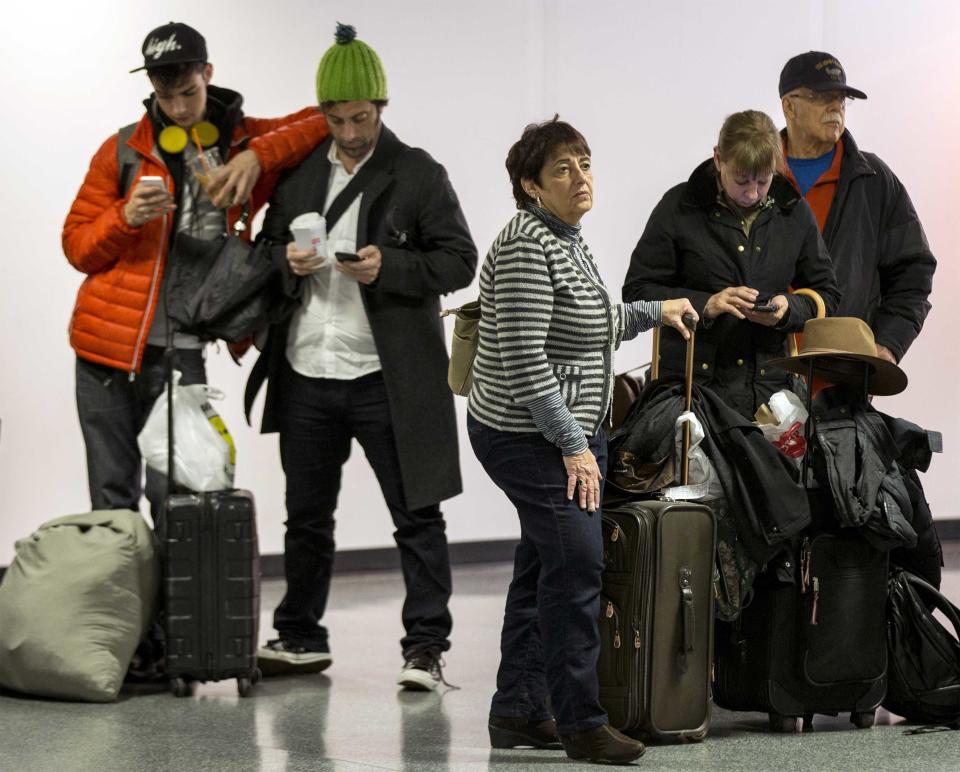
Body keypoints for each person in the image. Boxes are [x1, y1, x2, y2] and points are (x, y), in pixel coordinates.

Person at [245, 24, 477, 690]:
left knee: (417, 513)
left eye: (361, 117)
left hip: (388, 376)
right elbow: (263, 252)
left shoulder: (418, 173)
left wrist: (391, 266)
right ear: (321, 114)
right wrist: (284, 261)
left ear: (382, 106)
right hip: (307, 370)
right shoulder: (297, 177)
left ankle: (425, 649)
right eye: (337, 118)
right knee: (307, 517)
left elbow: (460, 260)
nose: (349, 132)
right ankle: (298, 636)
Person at [467, 116, 696, 764]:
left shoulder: (566, 239)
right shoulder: (523, 247)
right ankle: (580, 721)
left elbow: (596, 322)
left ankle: (516, 710)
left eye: (585, 163)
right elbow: (523, 362)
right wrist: (572, 444)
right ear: (530, 185)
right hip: (524, 433)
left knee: (546, 561)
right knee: (576, 563)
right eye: (562, 169)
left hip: (565, 431)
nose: (581, 178)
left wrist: (661, 309)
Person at [63, 21, 328, 519]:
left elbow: (320, 119)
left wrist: (255, 156)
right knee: (110, 497)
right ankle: (127, 598)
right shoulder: (122, 150)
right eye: (167, 96)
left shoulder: (245, 139)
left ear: (208, 73)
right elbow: (78, 249)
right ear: (152, 90)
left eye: (190, 92)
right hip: (105, 352)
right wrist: (125, 218)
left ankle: (180, 600)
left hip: (183, 351)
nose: (181, 108)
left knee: (181, 496)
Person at [623, 109, 840, 420]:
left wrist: (788, 309)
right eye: (741, 180)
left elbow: (828, 295)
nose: (751, 193)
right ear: (718, 160)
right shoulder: (678, 207)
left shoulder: (795, 213)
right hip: (691, 391)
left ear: (776, 169)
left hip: (771, 393)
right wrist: (706, 305)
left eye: (763, 181)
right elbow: (637, 293)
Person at [778, 51, 936, 365]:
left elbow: (913, 275)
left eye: (841, 98)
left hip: (841, 383)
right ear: (788, 106)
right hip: (754, 384)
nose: (835, 106)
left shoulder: (874, 181)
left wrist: (887, 345)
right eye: (821, 96)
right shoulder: (754, 177)